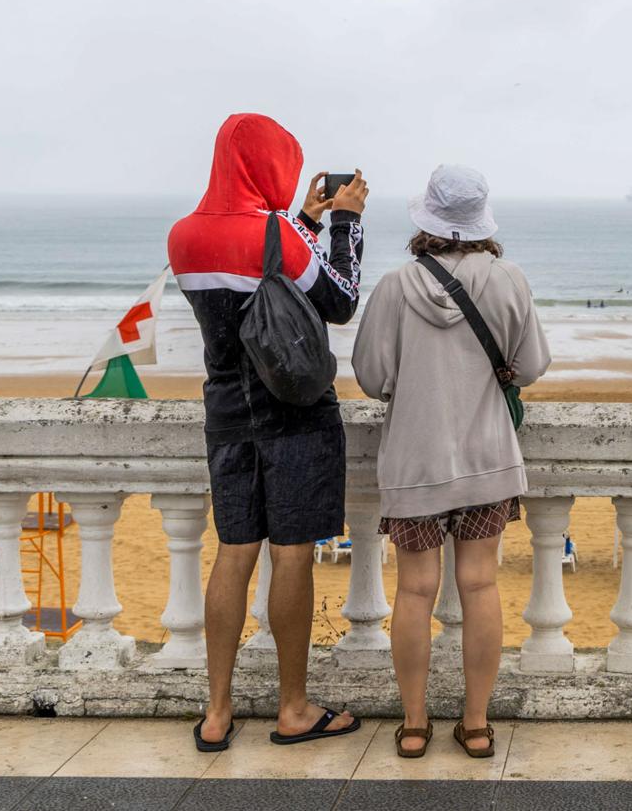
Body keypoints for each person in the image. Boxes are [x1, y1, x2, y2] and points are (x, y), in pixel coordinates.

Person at [168, 113, 367, 751]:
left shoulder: (183, 237)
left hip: (227, 414)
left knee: (233, 553)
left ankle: (218, 712)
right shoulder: (277, 232)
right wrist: (344, 223)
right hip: (295, 414)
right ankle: (293, 707)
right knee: (290, 554)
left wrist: (299, 225)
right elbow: (338, 299)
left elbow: (252, 286)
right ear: (268, 165)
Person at [353, 164, 550, 759]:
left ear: (427, 220)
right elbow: (533, 364)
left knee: (414, 592)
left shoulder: (394, 287)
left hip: (414, 462)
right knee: (481, 584)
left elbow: (370, 377)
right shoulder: (509, 279)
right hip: (487, 459)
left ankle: (415, 726)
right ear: (480, 221)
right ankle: (477, 724)